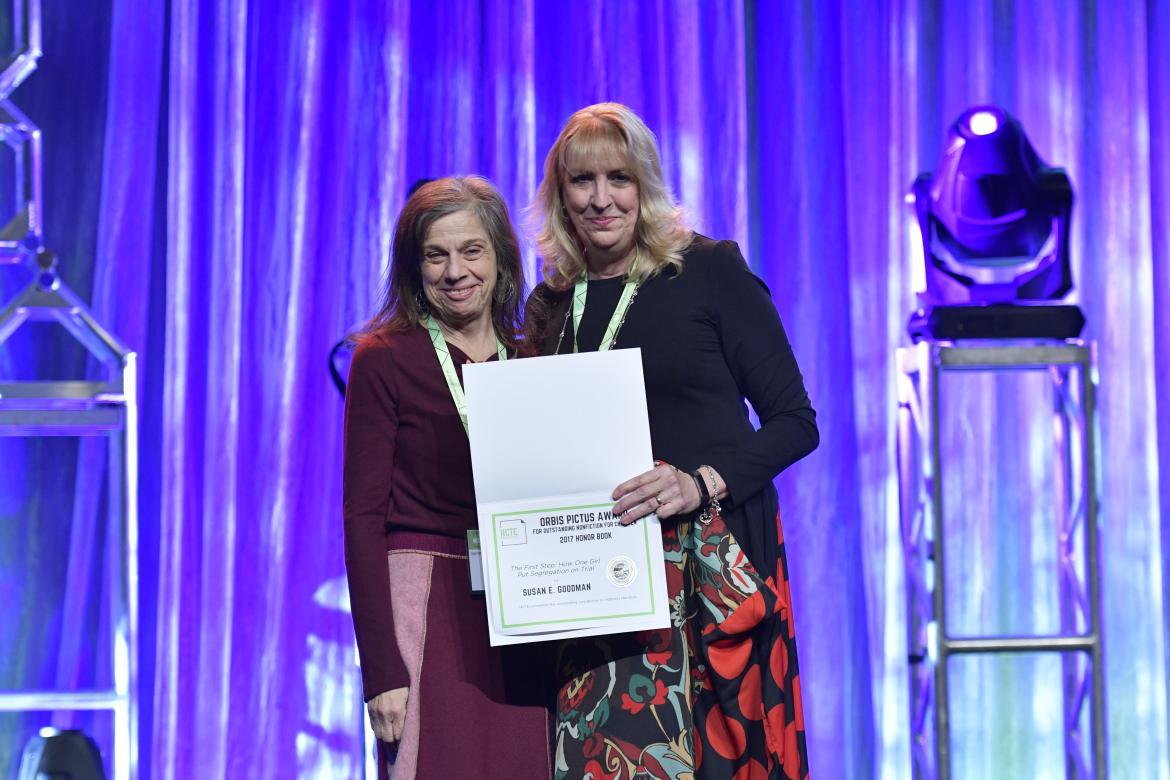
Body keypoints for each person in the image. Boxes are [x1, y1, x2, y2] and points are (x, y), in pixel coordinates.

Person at [526, 103, 818, 779]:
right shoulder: (550, 306)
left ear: (646, 185)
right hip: (598, 579)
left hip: (713, 570)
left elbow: (796, 421)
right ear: (560, 195)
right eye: (582, 181)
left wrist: (698, 481)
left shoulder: (708, 270)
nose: (601, 199)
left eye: (619, 179)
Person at [344, 176, 550, 779]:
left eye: (471, 250)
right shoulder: (383, 357)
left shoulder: (536, 358)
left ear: (500, 258)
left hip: (525, 611)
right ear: (415, 266)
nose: (455, 270)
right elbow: (361, 520)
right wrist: (382, 670)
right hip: (424, 604)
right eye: (436, 254)